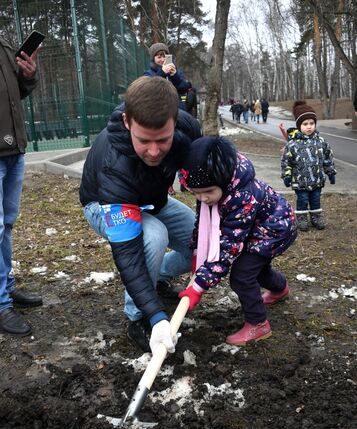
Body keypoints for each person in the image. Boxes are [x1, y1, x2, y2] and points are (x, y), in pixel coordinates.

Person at [79, 76, 201, 354]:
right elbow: (128, 252)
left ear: (175, 120)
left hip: (153, 200)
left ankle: (155, 279)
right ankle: (137, 316)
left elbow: (204, 175)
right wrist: (157, 317)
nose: (154, 151)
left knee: (199, 240)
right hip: (104, 204)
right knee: (154, 236)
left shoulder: (187, 128)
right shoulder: (115, 165)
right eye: (144, 140)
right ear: (126, 122)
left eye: (163, 140)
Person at [178, 136, 297, 346]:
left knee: (242, 275)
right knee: (256, 268)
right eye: (195, 193)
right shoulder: (211, 188)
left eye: (207, 192)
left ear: (223, 181)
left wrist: (199, 286)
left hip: (274, 229)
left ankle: (258, 324)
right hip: (257, 228)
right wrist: (199, 252)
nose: (202, 199)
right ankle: (280, 289)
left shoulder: (242, 197)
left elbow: (228, 246)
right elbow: (204, 224)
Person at [0, 36, 43, 337]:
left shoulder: (3, 44)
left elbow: (15, 93)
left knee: (6, 225)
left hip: (13, 148)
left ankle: (5, 288)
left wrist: (27, 76)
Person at [281, 101, 336, 231]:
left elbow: (327, 158)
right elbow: (286, 161)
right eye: (305, 124)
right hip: (300, 181)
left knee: (316, 199)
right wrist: (287, 175)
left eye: (311, 123)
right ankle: (301, 217)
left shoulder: (321, 142)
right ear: (299, 125)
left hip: (317, 179)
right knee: (303, 199)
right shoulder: (293, 144)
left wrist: (331, 172)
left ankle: (316, 217)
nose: (309, 127)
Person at [144, 42, 190, 111]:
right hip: (158, 111)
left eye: (164, 56)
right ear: (153, 59)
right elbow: (149, 91)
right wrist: (162, 73)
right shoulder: (148, 73)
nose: (162, 60)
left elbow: (184, 89)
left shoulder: (175, 71)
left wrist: (175, 76)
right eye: (159, 57)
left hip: (177, 109)